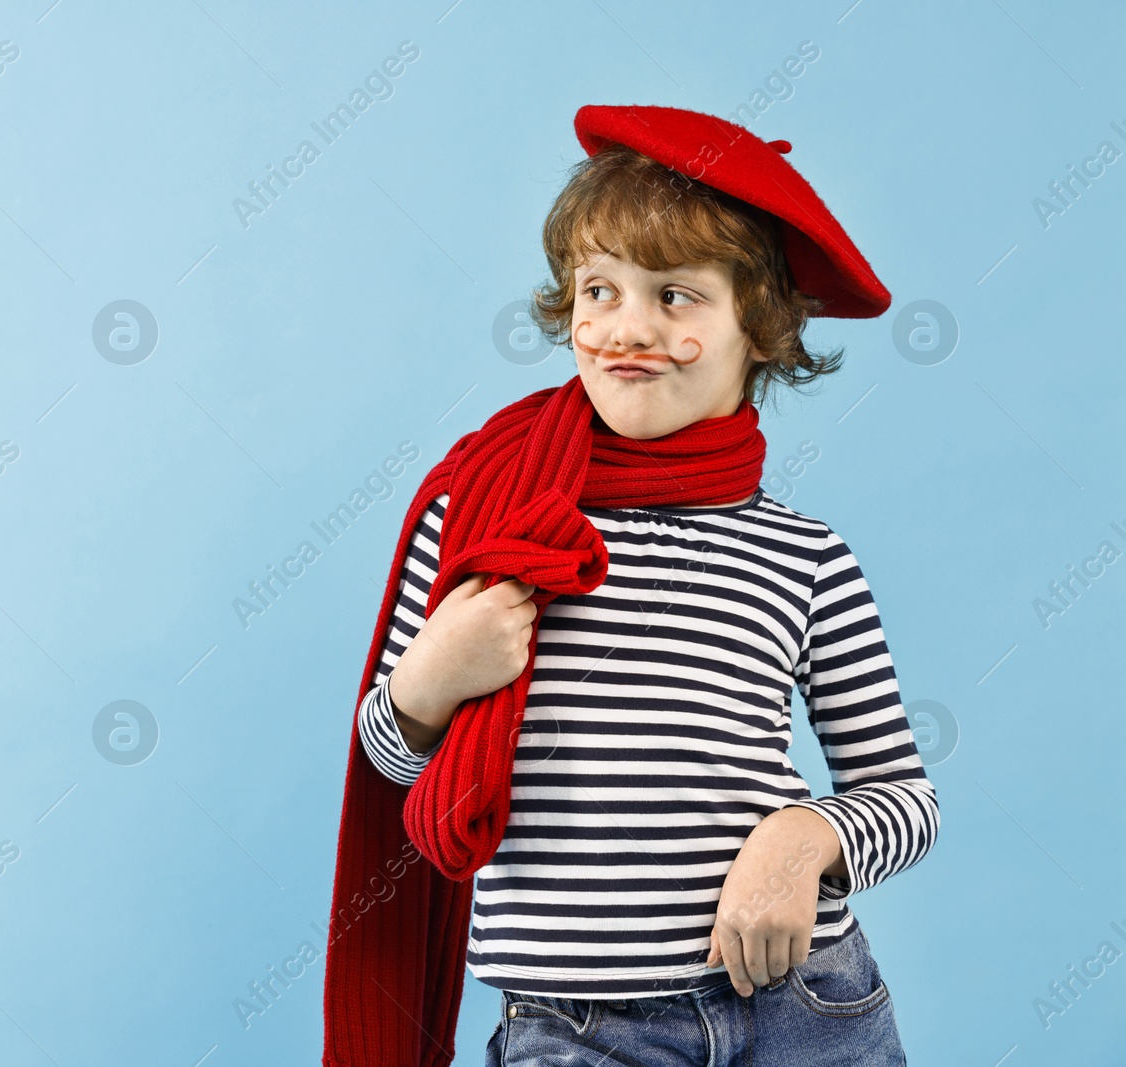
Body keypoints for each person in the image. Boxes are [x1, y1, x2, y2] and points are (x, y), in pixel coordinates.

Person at [322, 105, 941, 1067]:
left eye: (677, 297)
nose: (626, 329)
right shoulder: (488, 517)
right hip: (577, 1031)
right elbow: (396, 774)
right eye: (599, 290)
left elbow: (903, 795)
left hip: (806, 1003)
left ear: (762, 326)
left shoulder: (807, 556)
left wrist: (803, 835)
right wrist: (428, 680)